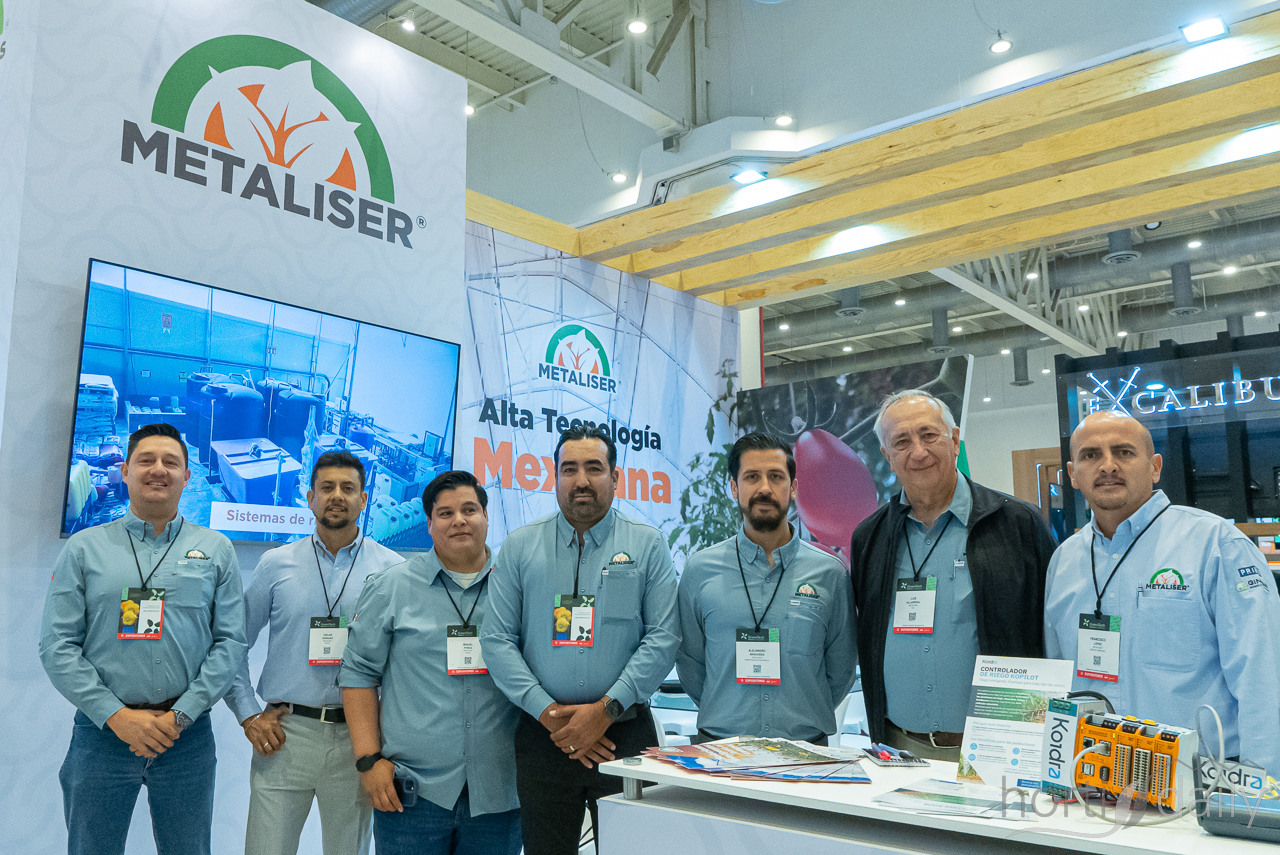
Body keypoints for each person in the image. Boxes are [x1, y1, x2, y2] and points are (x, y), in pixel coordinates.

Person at [39, 423, 247, 855]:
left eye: (171, 462)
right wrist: (116, 716)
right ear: (125, 470)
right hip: (102, 735)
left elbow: (230, 644)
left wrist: (181, 716)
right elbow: (57, 646)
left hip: (186, 739)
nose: (158, 470)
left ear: (187, 475)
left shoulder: (217, 549)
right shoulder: (84, 548)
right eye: (146, 460)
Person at [1044, 410, 1280, 773]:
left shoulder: (1216, 545)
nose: (1108, 466)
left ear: (1155, 467)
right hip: (1094, 776)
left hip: (1202, 779)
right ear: (1073, 474)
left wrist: (1265, 788)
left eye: (1124, 452)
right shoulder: (1063, 562)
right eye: (1091, 455)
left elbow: (1261, 676)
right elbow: (1058, 679)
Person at [481, 426, 679, 855]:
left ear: (615, 478)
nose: (581, 480)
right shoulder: (519, 547)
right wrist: (549, 713)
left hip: (624, 733)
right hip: (544, 738)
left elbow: (664, 637)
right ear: (555, 478)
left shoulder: (647, 545)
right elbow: (496, 640)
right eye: (569, 469)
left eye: (594, 468)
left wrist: (605, 711)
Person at [848, 390, 1056, 760]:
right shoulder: (870, 537)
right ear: (887, 456)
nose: (918, 452)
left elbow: (1049, 636)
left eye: (929, 435)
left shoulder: (1017, 524)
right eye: (901, 442)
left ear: (955, 440)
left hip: (997, 748)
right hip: (898, 747)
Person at [224, 449, 401, 855]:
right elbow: (232, 644)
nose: (337, 495)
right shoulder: (275, 564)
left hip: (359, 741)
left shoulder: (392, 570)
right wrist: (248, 714)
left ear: (364, 499)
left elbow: (405, 664)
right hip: (285, 736)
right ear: (309, 497)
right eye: (327, 487)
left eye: (348, 488)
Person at [341, 470, 521, 855]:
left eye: (469, 510)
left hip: (498, 796)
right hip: (412, 796)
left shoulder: (516, 588)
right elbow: (357, 675)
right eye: (445, 513)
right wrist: (368, 761)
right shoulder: (390, 587)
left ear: (486, 517)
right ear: (429, 524)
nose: (459, 520)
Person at [676, 432, 856, 744]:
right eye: (751, 477)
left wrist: (802, 712)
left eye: (776, 476)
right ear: (734, 488)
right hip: (720, 749)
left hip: (805, 751)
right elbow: (690, 663)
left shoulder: (830, 573)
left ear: (793, 488)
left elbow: (841, 669)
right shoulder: (699, 570)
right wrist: (727, 709)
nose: (764, 488)